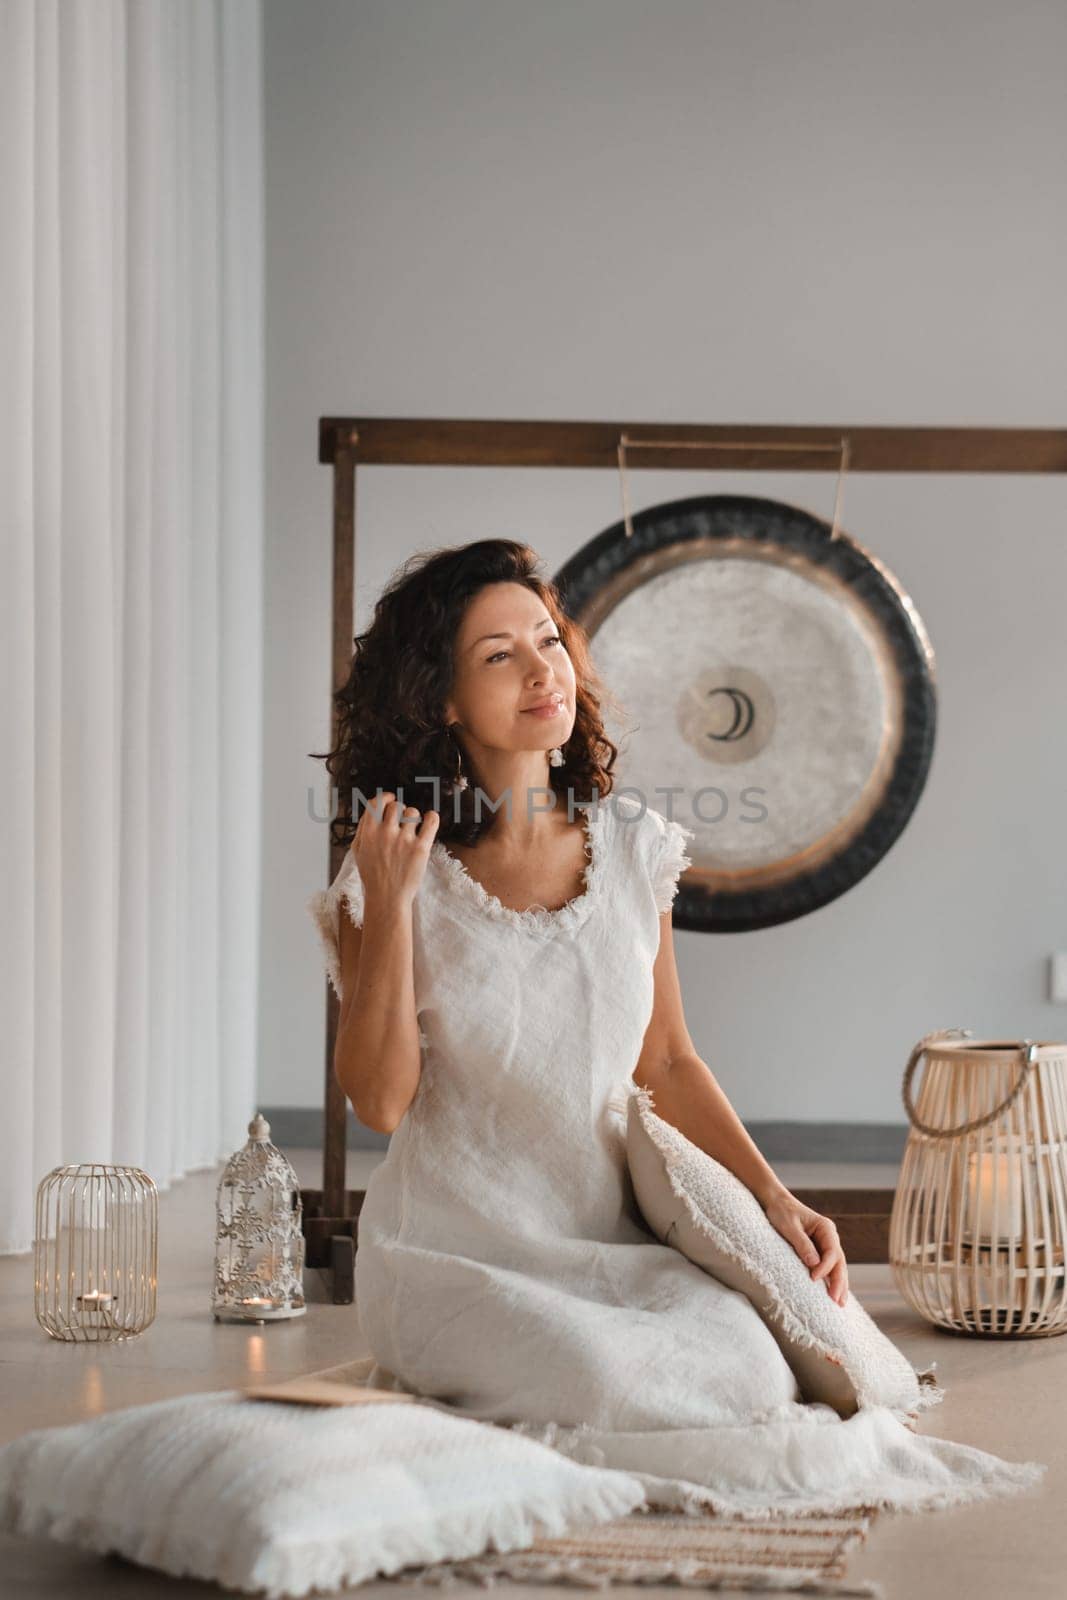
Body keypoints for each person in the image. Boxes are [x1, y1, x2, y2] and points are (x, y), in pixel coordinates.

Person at [308, 538, 1044, 1518]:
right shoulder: (391, 869)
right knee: (610, 1385)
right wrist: (393, 907)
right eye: (498, 655)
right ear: (439, 698)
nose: (542, 671)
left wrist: (774, 1198)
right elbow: (381, 1100)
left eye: (548, 640)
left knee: (747, 1366)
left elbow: (666, 1060)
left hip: (613, 1250)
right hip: (456, 1256)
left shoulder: (630, 850)